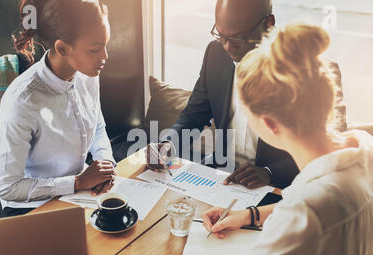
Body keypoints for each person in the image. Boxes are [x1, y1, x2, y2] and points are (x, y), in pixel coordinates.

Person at [202, 23, 373, 255]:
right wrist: (249, 215)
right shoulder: (363, 147)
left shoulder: (305, 211)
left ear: (269, 124)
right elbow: (318, 218)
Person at [146, 0, 345, 190]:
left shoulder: (314, 74)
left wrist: (269, 173)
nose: (227, 47)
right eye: (220, 35)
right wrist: (169, 144)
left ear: (269, 24)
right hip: (218, 173)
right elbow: (194, 114)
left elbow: (330, 145)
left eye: (238, 38)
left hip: (278, 185)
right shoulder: (215, 54)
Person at [0, 0, 116, 217]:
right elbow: (7, 187)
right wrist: (77, 182)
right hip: (31, 206)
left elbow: (98, 127)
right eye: (95, 49)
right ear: (62, 48)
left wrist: (105, 164)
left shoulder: (88, 74)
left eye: (106, 45)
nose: (105, 56)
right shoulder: (23, 101)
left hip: (79, 193)